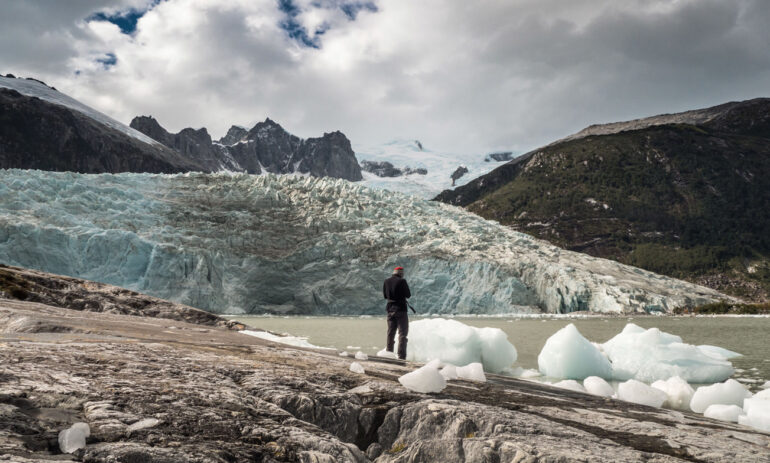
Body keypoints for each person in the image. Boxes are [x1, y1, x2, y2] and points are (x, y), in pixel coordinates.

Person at [383, 266, 411, 360]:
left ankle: (389, 354)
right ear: (401, 273)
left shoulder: (386, 281)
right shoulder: (402, 281)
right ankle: (401, 356)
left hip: (390, 309)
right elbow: (408, 295)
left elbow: (385, 296)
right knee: (402, 333)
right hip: (401, 309)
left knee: (390, 332)